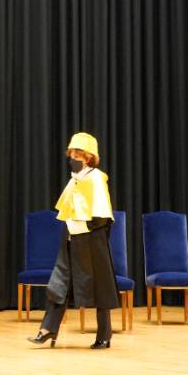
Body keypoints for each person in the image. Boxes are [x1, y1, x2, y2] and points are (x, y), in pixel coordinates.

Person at [27, 132, 118, 349]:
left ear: (88, 157)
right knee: (59, 282)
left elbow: (101, 218)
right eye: (72, 155)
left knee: (100, 287)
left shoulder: (96, 179)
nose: (73, 158)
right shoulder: (74, 179)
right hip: (70, 239)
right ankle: (47, 329)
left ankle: (104, 335)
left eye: (77, 155)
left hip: (92, 241)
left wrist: (80, 227)